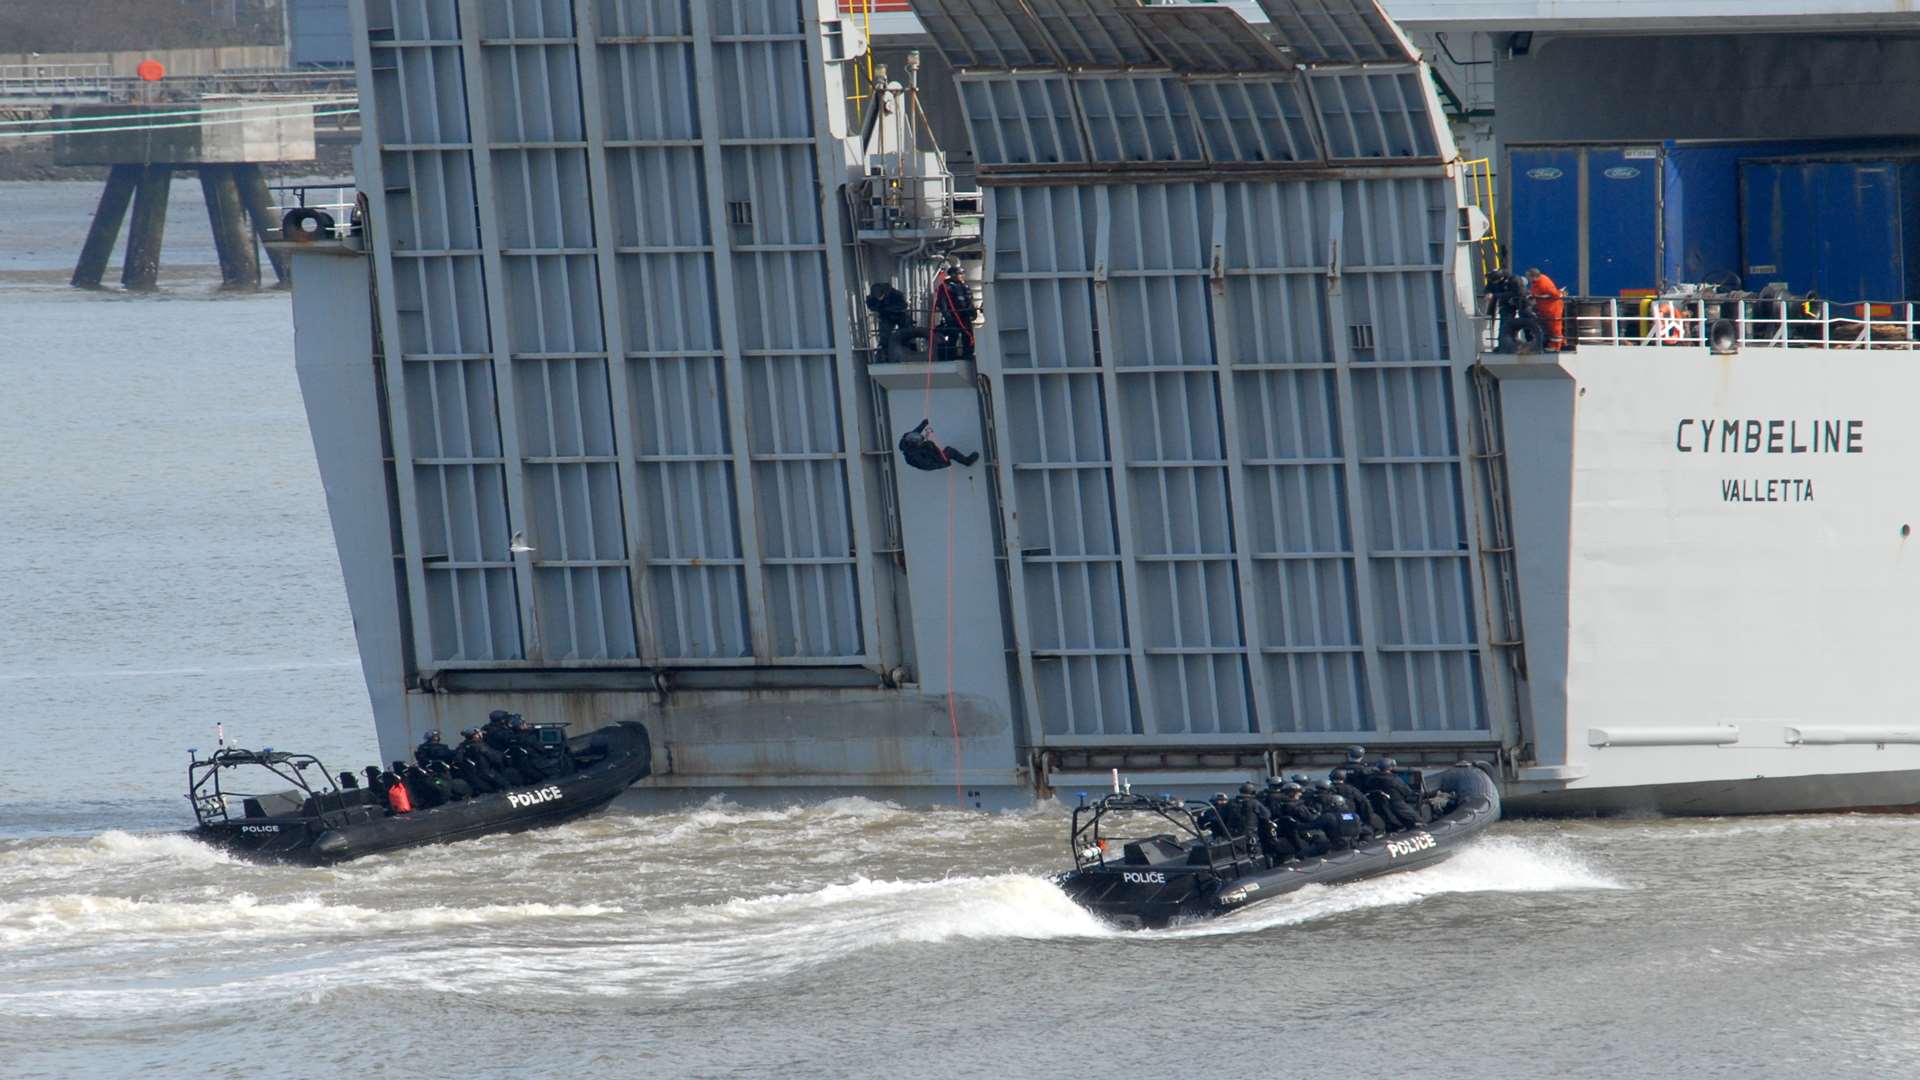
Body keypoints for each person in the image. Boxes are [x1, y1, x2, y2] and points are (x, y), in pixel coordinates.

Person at [865, 281, 920, 359]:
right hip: (886, 316)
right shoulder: (872, 298)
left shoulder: (895, 294)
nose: (879, 298)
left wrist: (888, 308)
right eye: (877, 297)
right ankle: (884, 354)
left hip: (900, 314)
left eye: (880, 296)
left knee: (907, 331)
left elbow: (903, 305)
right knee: (884, 334)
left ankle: (912, 350)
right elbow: (871, 305)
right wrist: (880, 307)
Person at [898, 418, 979, 470]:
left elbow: (916, 432)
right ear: (914, 444)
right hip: (931, 462)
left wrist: (923, 424)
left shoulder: (907, 438)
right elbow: (927, 464)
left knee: (929, 444)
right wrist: (943, 462)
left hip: (927, 454)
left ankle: (937, 453)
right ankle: (967, 462)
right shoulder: (915, 455)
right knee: (949, 451)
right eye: (920, 442)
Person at [934, 264, 977, 361]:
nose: (962, 275)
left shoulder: (964, 286)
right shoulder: (945, 287)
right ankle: (950, 355)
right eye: (960, 273)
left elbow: (969, 300)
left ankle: (968, 354)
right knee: (953, 335)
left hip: (964, 315)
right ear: (952, 275)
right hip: (953, 315)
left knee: (968, 335)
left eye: (963, 273)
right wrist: (948, 316)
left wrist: (973, 312)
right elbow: (942, 303)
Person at [1329, 767, 1380, 841]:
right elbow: (1364, 803)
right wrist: (1367, 820)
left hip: (1332, 822)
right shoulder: (1351, 789)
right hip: (1351, 819)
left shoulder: (1327, 790)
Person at [1526, 267, 1565, 350]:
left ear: (1534, 276)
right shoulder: (1536, 282)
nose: (1528, 279)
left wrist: (1537, 297)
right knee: (1548, 327)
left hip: (1552, 308)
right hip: (1544, 309)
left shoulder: (1544, 284)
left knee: (1555, 327)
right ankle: (1555, 344)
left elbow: (1556, 295)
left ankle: (1556, 346)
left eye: (1528, 277)